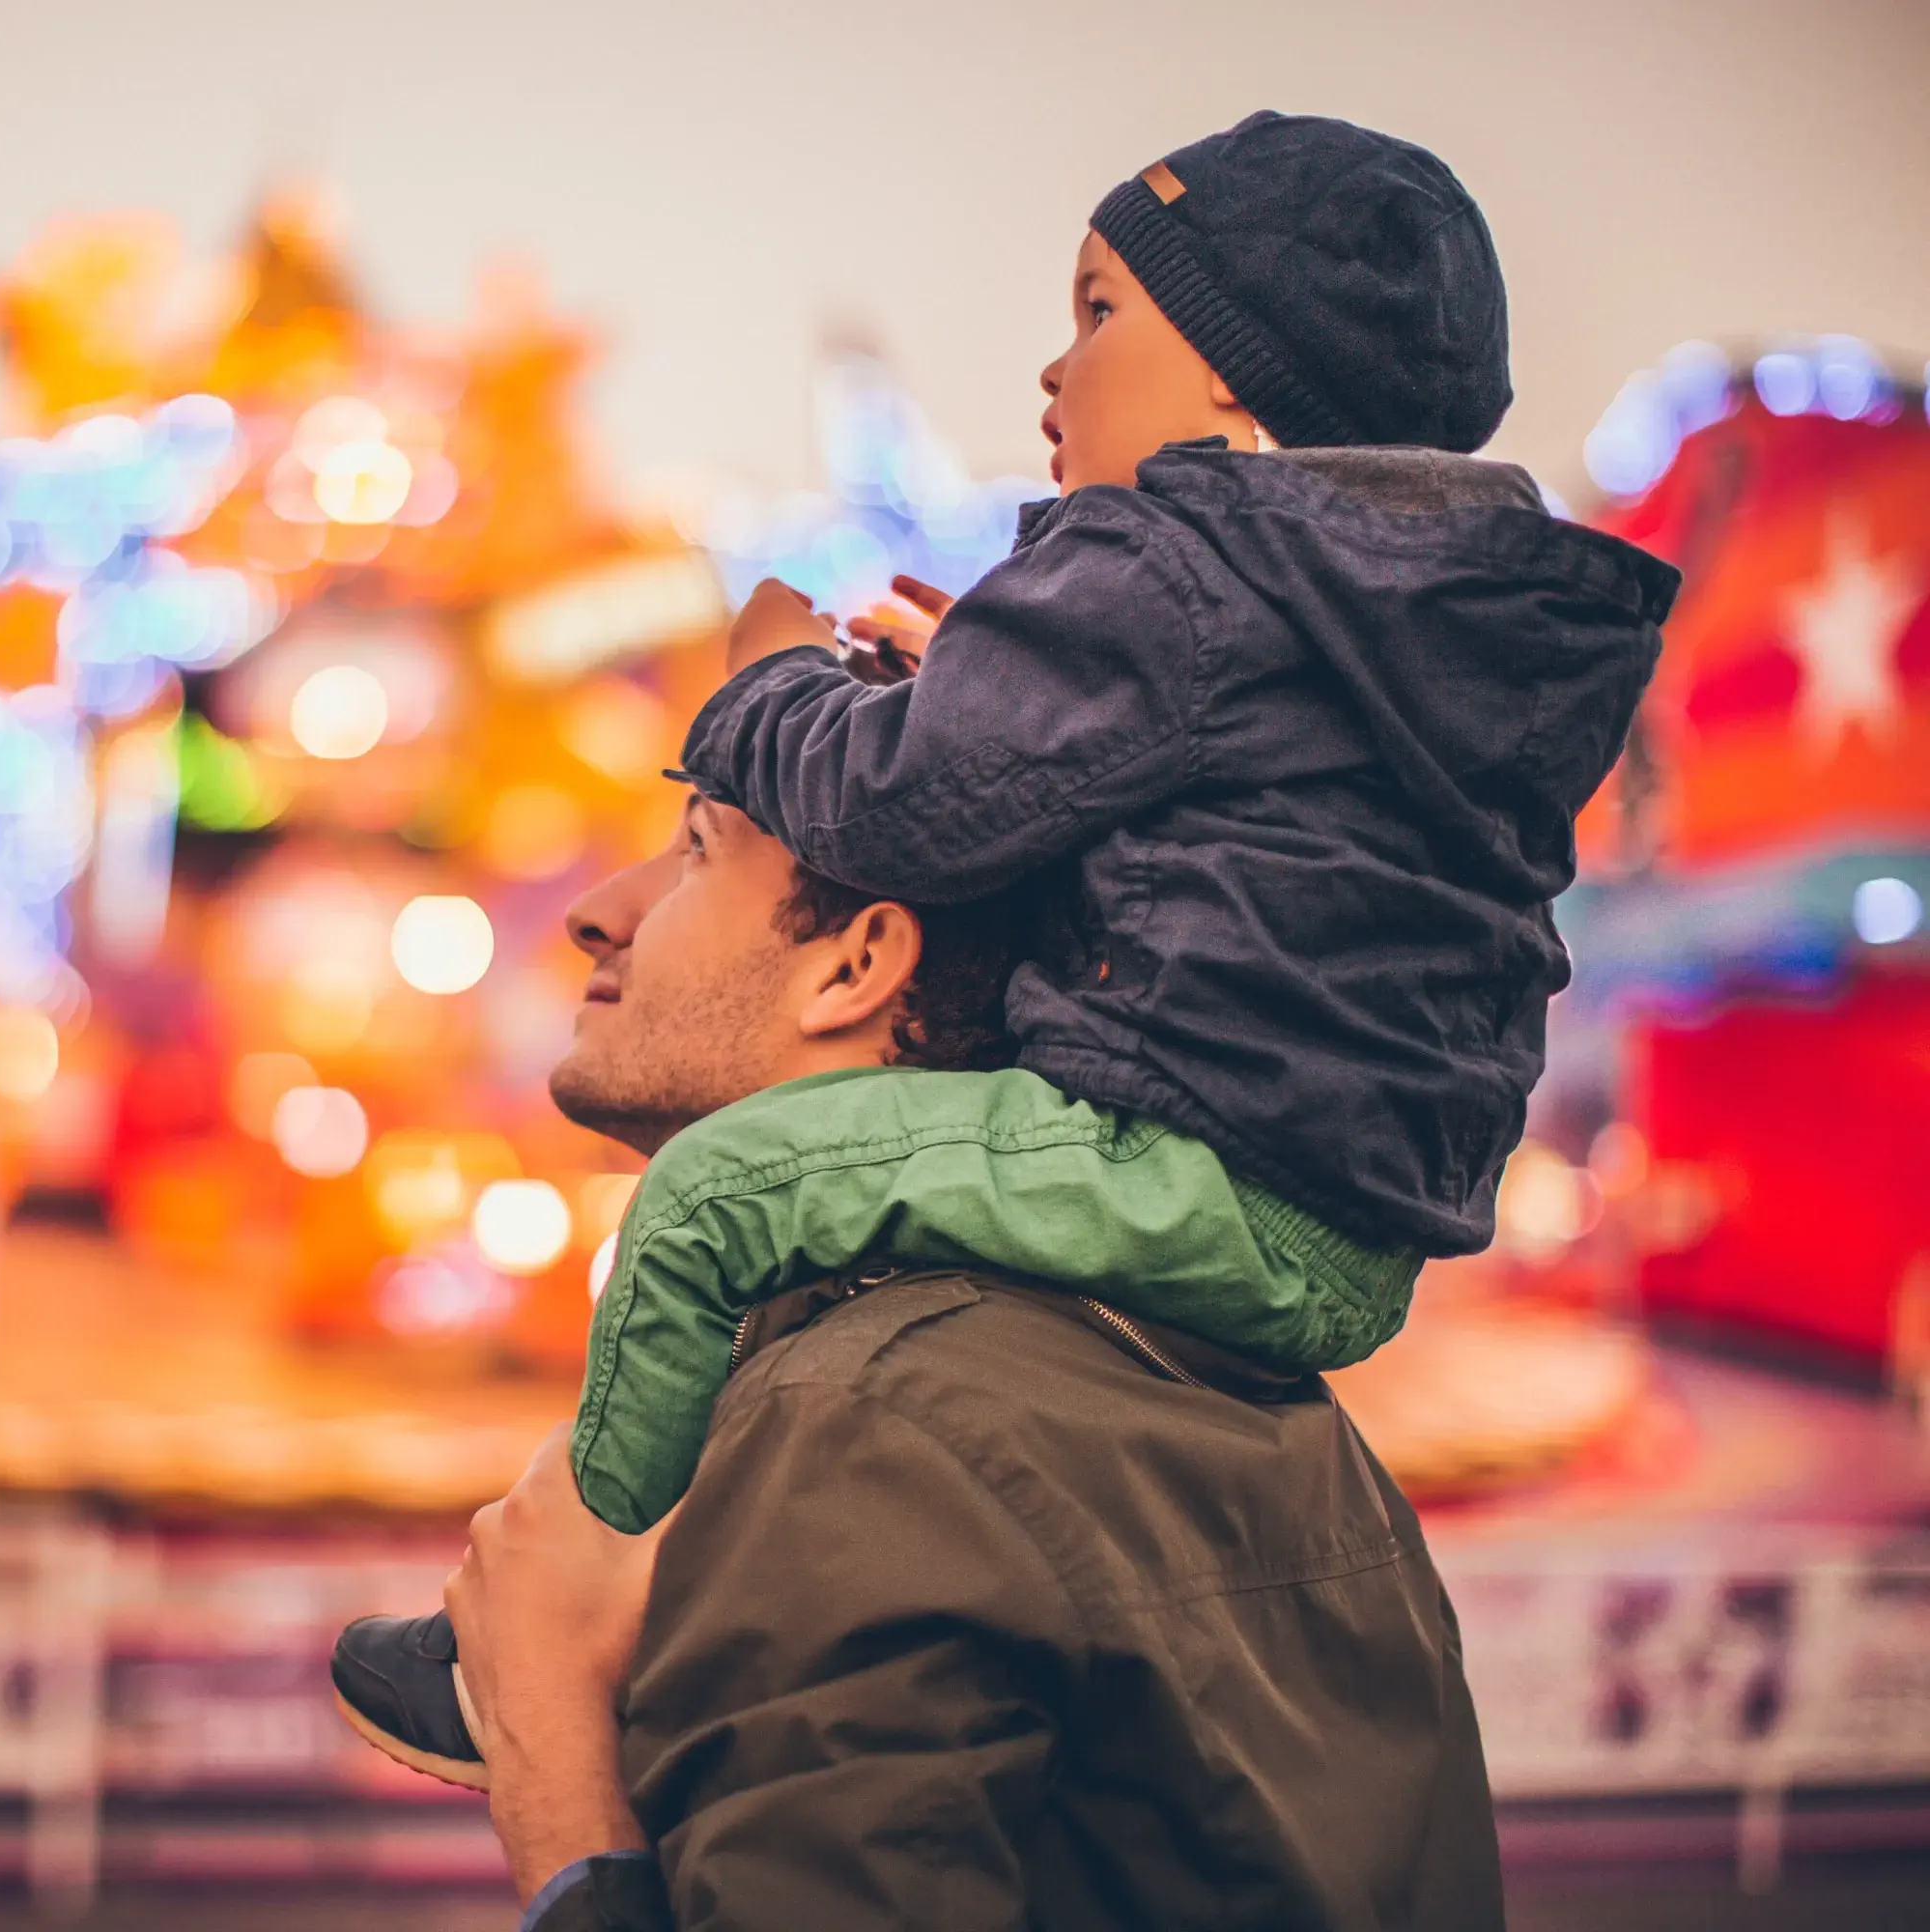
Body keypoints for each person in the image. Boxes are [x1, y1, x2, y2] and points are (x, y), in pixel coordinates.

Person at [333, 107, 1677, 1788]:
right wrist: (998, 675)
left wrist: (766, 694)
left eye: (1100, 310)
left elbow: (906, 809)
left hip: (1192, 1157)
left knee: (715, 1194)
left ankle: (542, 1634)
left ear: (1233, 376)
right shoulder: (1420, 624)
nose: (1056, 367)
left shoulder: (1173, 562)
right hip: (1356, 1229)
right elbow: (1243, 817)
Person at [453, 791, 1504, 1928]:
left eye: (695, 848)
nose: (599, 911)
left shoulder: (865, 1422)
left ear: (857, 963)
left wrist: (553, 1756)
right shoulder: (1219, 1367)